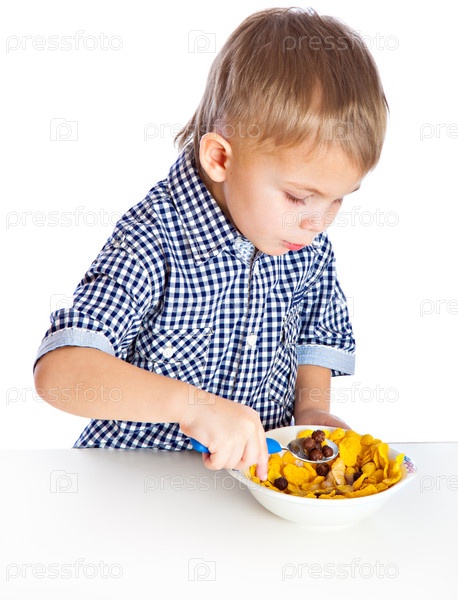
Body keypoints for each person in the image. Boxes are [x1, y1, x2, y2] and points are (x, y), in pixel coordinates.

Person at [33, 7, 388, 482]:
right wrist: (192, 406)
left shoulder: (302, 241)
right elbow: (59, 374)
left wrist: (311, 413)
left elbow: (314, 337)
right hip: (131, 487)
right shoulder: (153, 238)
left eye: (338, 199)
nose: (318, 223)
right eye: (298, 197)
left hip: (246, 490)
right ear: (220, 157)